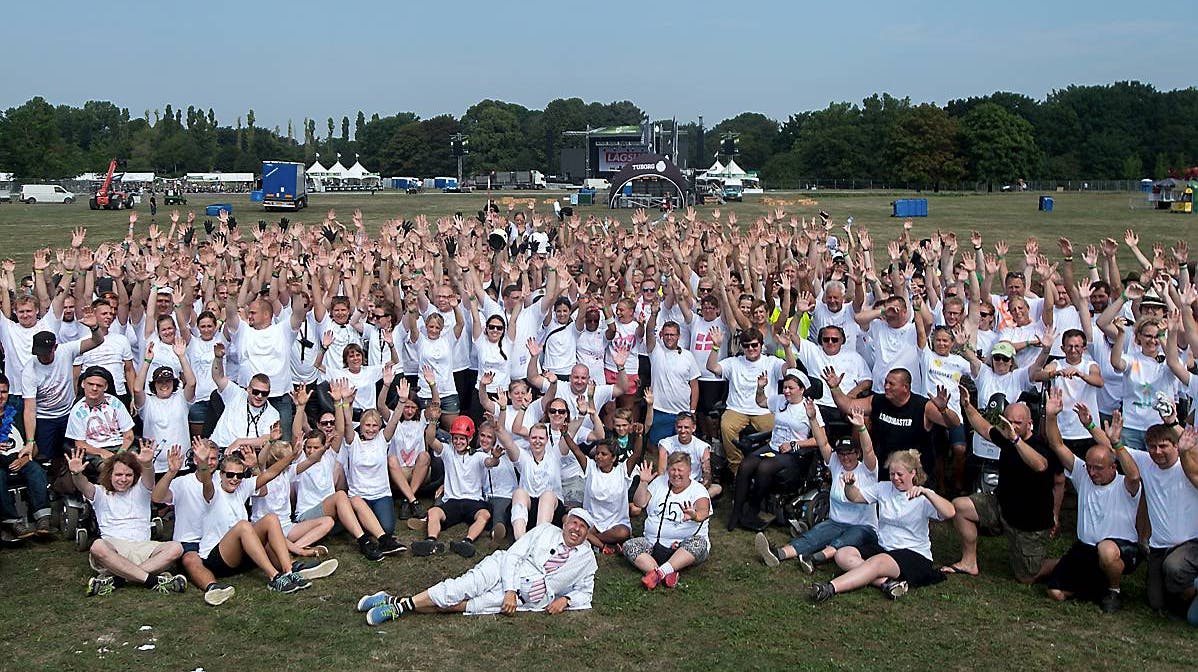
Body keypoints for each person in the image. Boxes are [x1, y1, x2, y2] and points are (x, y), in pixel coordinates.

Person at [356, 508, 598, 624]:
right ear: (566, 524)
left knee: (463, 606)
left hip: (527, 600)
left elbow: (585, 592)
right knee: (459, 588)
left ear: (587, 533)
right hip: (505, 570)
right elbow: (513, 556)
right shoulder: (546, 531)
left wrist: (566, 601)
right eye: (574, 523)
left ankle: (391, 601)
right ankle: (401, 607)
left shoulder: (586, 558)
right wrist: (510, 590)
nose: (576, 530)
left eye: (582, 527)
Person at [186, 440, 336, 599]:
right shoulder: (213, 492)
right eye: (230, 475)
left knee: (271, 518)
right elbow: (206, 481)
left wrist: (292, 456)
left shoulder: (242, 488)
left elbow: (270, 473)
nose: (234, 479)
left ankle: (289, 570)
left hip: (242, 555)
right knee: (244, 526)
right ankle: (274, 578)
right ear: (221, 475)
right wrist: (202, 462)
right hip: (218, 559)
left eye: (239, 475)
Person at [941, 389, 1058, 583]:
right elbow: (984, 428)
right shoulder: (1007, 436)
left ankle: (1065, 562)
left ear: (1030, 424)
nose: (1011, 426)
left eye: (1017, 423)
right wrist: (967, 406)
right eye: (1008, 422)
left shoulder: (1039, 444)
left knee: (1027, 577)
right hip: (1001, 506)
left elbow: (1040, 465)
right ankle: (969, 562)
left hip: (1029, 524)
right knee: (960, 507)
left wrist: (1015, 440)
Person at [809, 450, 955, 602]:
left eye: (900, 474)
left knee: (877, 562)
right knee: (842, 554)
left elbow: (950, 512)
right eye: (892, 474)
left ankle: (830, 588)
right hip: (884, 547)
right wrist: (849, 485)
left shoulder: (922, 496)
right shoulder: (883, 488)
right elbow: (855, 497)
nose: (895, 479)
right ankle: (886, 583)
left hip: (913, 554)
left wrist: (927, 492)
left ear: (913, 473)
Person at [1043, 399, 1142, 613]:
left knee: (1105, 551)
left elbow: (1134, 474)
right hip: (1085, 548)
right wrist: (1051, 416)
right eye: (1089, 467)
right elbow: (1057, 445)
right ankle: (1095, 588)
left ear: (1113, 467)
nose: (1091, 472)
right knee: (1055, 594)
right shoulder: (1083, 474)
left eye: (1098, 468)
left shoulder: (1125, 484)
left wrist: (1116, 443)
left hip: (1119, 548)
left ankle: (1113, 591)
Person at [755, 407, 878, 574]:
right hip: (836, 521)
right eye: (841, 454)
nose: (845, 458)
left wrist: (861, 427)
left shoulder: (868, 470)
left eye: (849, 453)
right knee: (813, 536)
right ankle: (778, 554)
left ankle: (813, 559)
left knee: (843, 540)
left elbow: (869, 450)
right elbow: (823, 443)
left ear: (857, 453)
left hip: (863, 527)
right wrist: (812, 419)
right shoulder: (836, 464)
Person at [66, 444, 187, 597]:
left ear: (135, 476)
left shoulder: (141, 489)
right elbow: (83, 486)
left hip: (143, 548)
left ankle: (119, 580)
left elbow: (149, 479)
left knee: (176, 548)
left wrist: (147, 464)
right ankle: (151, 580)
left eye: (128, 475)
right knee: (97, 546)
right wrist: (76, 474)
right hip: (114, 549)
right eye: (118, 475)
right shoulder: (100, 492)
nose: (123, 479)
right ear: (110, 474)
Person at [727, 372, 824, 531]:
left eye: (791, 388)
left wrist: (794, 445)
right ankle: (736, 513)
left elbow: (819, 440)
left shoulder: (809, 408)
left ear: (802, 390)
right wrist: (760, 388)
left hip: (794, 453)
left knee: (764, 467)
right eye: (785, 387)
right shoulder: (780, 400)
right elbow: (761, 402)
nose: (786, 391)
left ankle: (753, 510)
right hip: (773, 446)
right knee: (746, 464)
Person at [826, 367, 958, 479]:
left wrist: (943, 409)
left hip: (914, 475)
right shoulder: (878, 401)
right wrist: (835, 389)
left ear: (905, 387)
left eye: (891, 384)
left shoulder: (923, 406)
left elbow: (953, 423)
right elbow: (848, 405)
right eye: (886, 382)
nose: (886, 387)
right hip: (885, 471)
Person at [705, 326, 796, 475]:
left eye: (754, 345)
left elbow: (792, 369)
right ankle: (736, 469)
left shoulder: (771, 362)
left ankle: (768, 467)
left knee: (777, 430)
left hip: (764, 409)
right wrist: (715, 347)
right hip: (737, 409)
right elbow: (712, 367)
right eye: (746, 346)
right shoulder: (733, 362)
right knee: (726, 426)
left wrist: (787, 348)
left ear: (761, 345)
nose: (751, 348)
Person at [412, 414, 496, 558]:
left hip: (473, 501)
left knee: (485, 514)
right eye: (455, 438)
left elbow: (490, 463)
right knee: (433, 512)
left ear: (470, 439)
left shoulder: (478, 456)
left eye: (462, 438)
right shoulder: (448, 452)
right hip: (452, 501)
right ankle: (431, 541)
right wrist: (433, 421)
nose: (458, 442)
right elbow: (430, 439)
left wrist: (495, 458)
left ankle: (467, 542)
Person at [625, 452, 712, 590]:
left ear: (689, 471)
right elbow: (639, 503)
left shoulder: (698, 490)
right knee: (630, 545)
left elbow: (703, 511)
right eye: (672, 469)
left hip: (683, 547)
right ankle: (666, 573)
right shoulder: (659, 483)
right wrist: (643, 483)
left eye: (680, 470)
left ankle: (659, 572)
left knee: (699, 543)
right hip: (654, 544)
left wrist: (694, 516)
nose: (676, 474)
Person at [0, 373, 52, 538]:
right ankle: (12, 522)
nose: (0, 396)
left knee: (35, 470)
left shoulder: (18, 415)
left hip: (21, 458)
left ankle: (43, 518)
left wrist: (25, 458)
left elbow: (33, 445)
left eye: (3, 392)